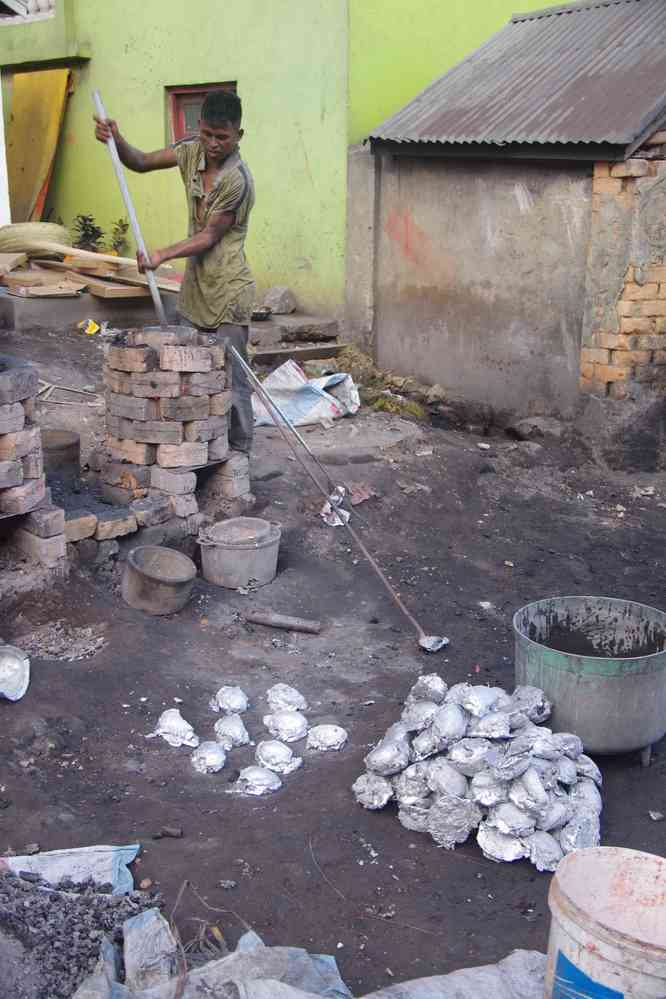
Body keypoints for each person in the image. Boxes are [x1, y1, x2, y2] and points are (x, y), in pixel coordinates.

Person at [94, 90, 255, 454]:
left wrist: (162, 254)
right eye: (208, 134)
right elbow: (141, 161)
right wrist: (116, 139)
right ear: (200, 128)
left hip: (229, 291)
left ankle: (239, 455)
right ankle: (196, 450)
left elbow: (211, 235)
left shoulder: (237, 180)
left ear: (238, 136)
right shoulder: (190, 150)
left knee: (232, 378)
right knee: (190, 375)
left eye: (223, 137)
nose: (213, 144)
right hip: (196, 289)